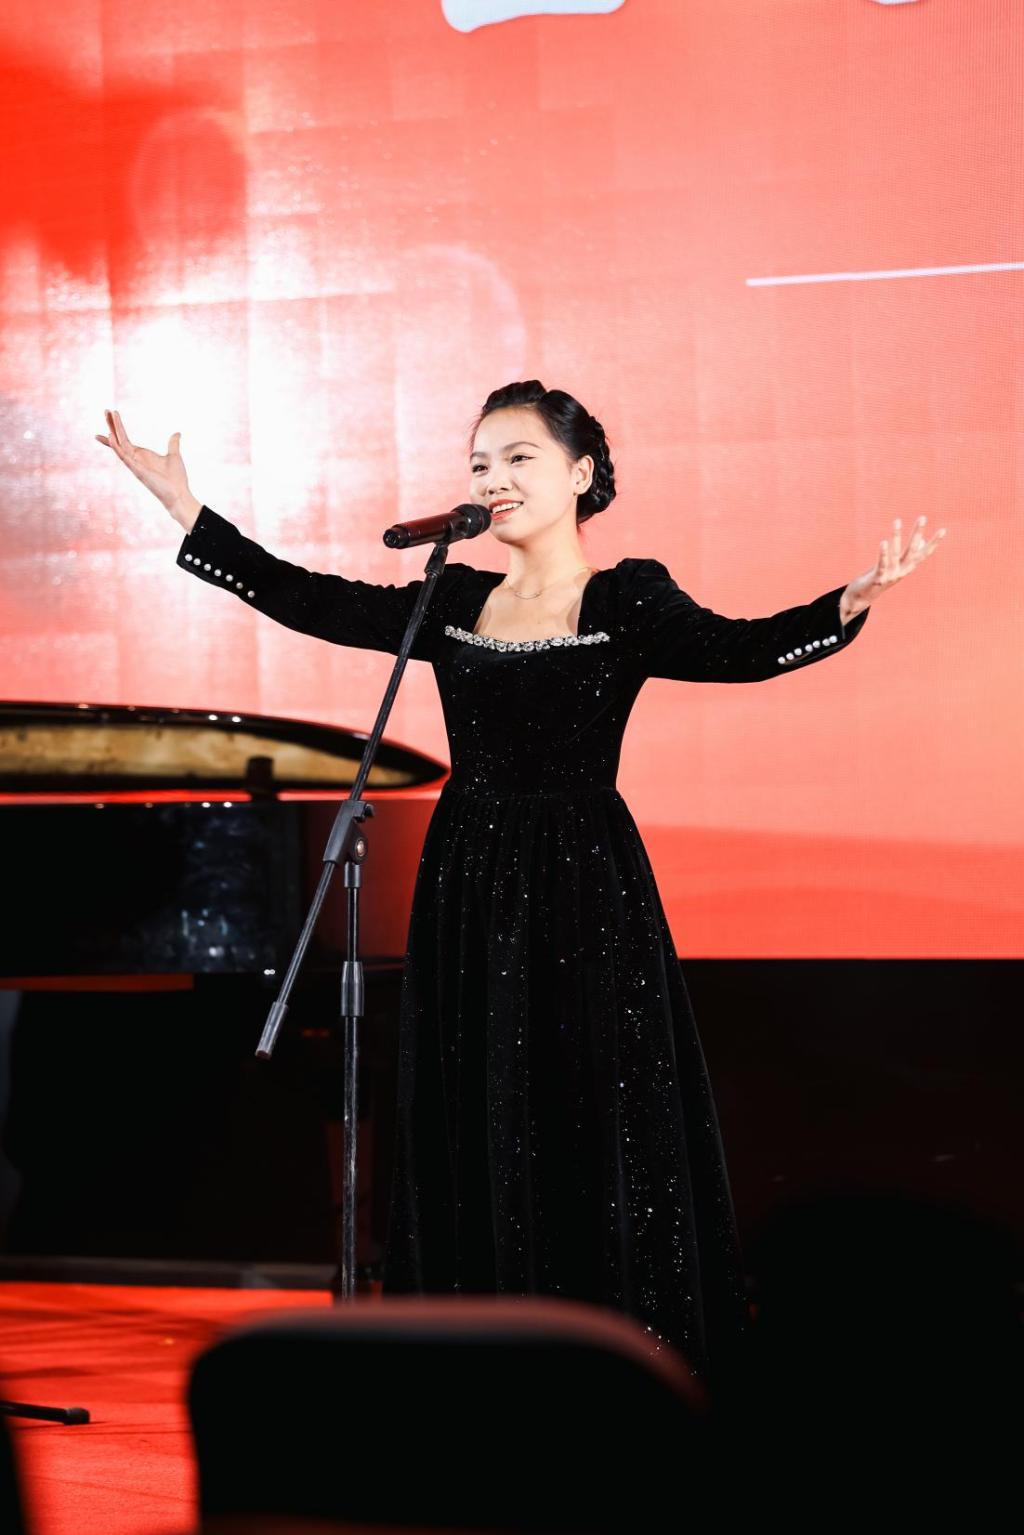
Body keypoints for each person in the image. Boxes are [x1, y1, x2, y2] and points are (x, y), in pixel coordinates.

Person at [95, 381, 945, 1387]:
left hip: (586, 883)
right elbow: (314, 598)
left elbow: (738, 650)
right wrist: (188, 512)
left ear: (581, 474)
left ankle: (615, 1360)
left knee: (589, 1102)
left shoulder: (628, 598)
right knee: (474, 1102)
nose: (493, 479)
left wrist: (844, 605)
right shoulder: (454, 598)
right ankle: (477, 1357)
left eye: (518, 458)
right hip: (468, 879)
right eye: (479, 464)